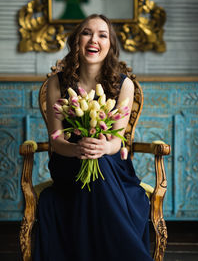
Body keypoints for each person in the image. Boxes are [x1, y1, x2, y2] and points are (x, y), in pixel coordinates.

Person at [33, 14, 153, 261]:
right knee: (93, 165)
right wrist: (78, 150)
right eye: (87, 33)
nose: (94, 40)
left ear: (110, 45)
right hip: (69, 161)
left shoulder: (124, 85)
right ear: (77, 40)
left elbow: (117, 141)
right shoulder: (58, 82)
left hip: (110, 161)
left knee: (100, 163)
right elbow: (56, 139)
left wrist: (101, 147)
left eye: (102, 35)